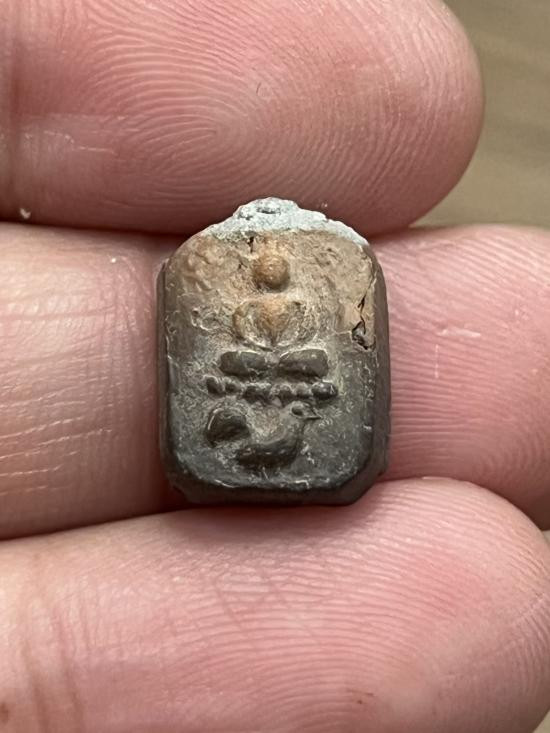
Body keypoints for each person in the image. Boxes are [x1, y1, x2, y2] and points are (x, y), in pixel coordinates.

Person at [0, 1, 549, 731]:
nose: (268, 268)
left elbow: (312, 352)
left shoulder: (318, 285)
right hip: (249, 376)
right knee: (239, 363)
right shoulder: (216, 277)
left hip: (294, 372)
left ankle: (268, 425)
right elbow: (231, 349)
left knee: (308, 360)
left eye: (274, 265)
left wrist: (282, 364)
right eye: (261, 263)